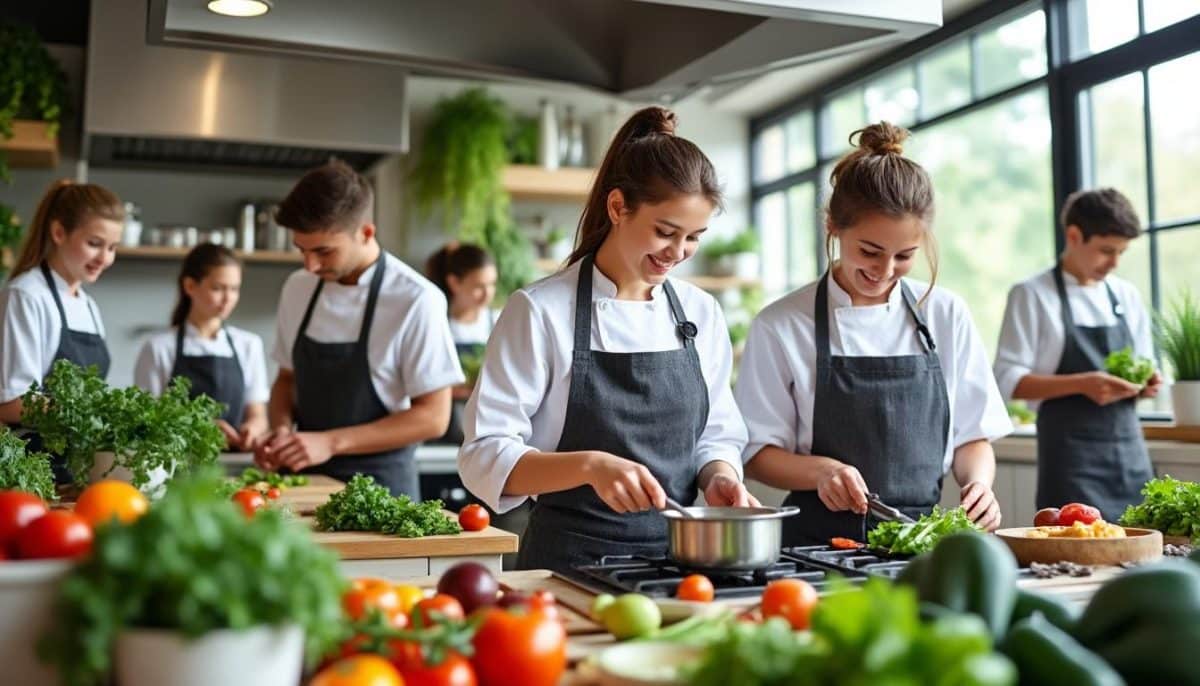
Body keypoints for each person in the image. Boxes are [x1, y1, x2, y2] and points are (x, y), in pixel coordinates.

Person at [458, 106, 756, 572]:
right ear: (618, 207)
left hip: (683, 564)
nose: (677, 254)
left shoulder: (700, 312)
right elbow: (483, 455)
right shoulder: (540, 310)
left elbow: (716, 433)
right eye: (665, 232)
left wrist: (719, 476)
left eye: (693, 237)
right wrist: (589, 466)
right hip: (568, 565)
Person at [734, 123, 1011, 546]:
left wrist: (979, 486)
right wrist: (823, 472)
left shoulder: (946, 313)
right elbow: (757, 455)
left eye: (904, 256)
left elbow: (973, 435)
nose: (884, 272)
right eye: (869, 251)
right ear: (832, 225)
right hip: (817, 544)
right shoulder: (781, 324)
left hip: (922, 541)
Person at [253, 161, 463, 497]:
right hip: (303, 485)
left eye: (323, 251)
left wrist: (330, 442)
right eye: (302, 250)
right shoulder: (298, 287)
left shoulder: (416, 300)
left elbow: (434, 417)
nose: (310, 265)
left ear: (366, 232)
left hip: (381, 493)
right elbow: (286, 380)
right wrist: (280, 433)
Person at [994, 188, 1158, 521]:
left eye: (1121, 252)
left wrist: (1148, 383)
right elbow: (1006, 380)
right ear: (1073, 235)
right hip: (1070, 463)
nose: (1114, 263)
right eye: (1106, 251)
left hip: (1130, 456)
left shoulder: (1126, 295)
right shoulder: (1032, 294)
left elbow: (1147, 364)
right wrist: (1082, 383)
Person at [0, 179, 123, 431]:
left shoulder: (88, 305)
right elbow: (11, 402)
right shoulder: (27, 295)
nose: (104, 258)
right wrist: (89, 414)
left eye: (112, 248)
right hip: (32, 461)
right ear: (58, 233)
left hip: (78, 462)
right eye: (94, 244)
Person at [133, 243, 270, 451]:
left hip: (234, 465)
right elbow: (145, 420)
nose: (228, 299)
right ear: (190, 286)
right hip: (177, 468)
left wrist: (253, 428)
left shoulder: (249, 344)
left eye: (234, 289)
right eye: (217, 288)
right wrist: (196, 429)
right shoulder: (159, 347)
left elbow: (258, 414)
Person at [425, 242, 498, 445]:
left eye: (492, 284)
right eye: (478, 286)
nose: (487, 294)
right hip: (442, 428)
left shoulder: (498, 321)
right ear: (454, 283)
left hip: (484, 430)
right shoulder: (436, 323)